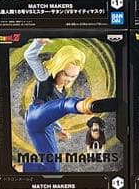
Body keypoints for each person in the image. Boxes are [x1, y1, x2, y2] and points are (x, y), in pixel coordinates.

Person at [16, 39, 116, 173]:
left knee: (53, 168)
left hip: (45, 127)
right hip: (35, 115)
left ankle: (17, 169)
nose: (68, 80)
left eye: (73, 77)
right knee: (65, 105)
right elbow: (29, 56)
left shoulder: (62, 91)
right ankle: (89, 106)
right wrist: (38, 43)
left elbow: (52, 112)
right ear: (58, 67)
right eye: (66, 74)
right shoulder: (45, 76)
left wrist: (59, 130)